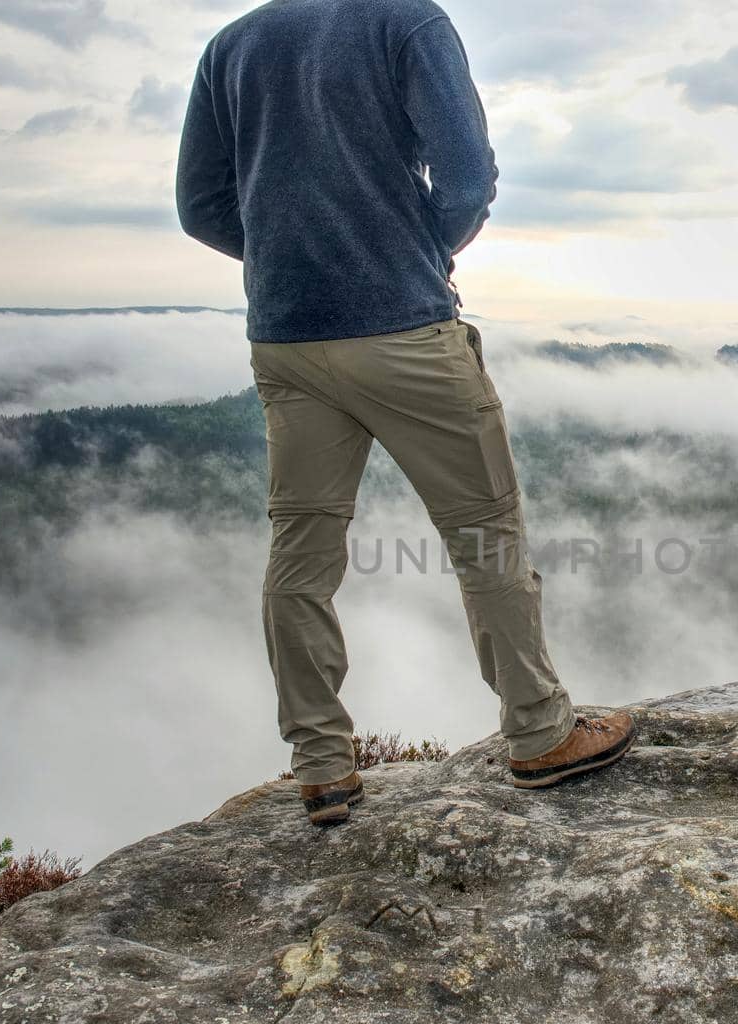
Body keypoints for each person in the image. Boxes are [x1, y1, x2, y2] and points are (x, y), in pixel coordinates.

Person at [176, 0, 632, 826]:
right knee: (485, 530)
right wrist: (406, 249)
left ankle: (320, 765)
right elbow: (466, 175)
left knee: (301, 552)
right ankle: (538, 733)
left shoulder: (231, 45)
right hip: (403, 331)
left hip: (283, 335)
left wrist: (292, 248)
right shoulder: (406, 21)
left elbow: (201, 206)